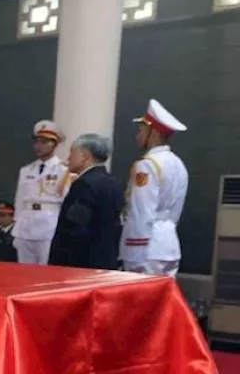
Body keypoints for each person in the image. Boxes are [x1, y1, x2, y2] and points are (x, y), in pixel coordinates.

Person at [122, 99, 189, 276]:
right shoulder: (178, 164)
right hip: (168, 244)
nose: (138, 135)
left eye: (141, 130)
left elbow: (142, 211)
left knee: (140, 302)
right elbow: (175, 211)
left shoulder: (147, 165)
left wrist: (135, 252)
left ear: (153, 132)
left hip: (146, 248)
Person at [49, 134, 123, 270]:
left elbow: (74, 229)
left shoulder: (84, 184)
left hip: (82, 264)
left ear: (84, 156)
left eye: (72, 153)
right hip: (105, 259)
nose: (68, 158)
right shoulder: (113, 182)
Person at [13, 121, 69, 265]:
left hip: (49, 224)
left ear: (54, 144)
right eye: (36, 142)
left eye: (44, 142)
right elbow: (19, 200)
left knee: (46, 269)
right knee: (24, 271)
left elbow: (66, 200)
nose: (39, 146)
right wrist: (17, 224)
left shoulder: (63, 170)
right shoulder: (26, 170)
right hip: (26, 224)